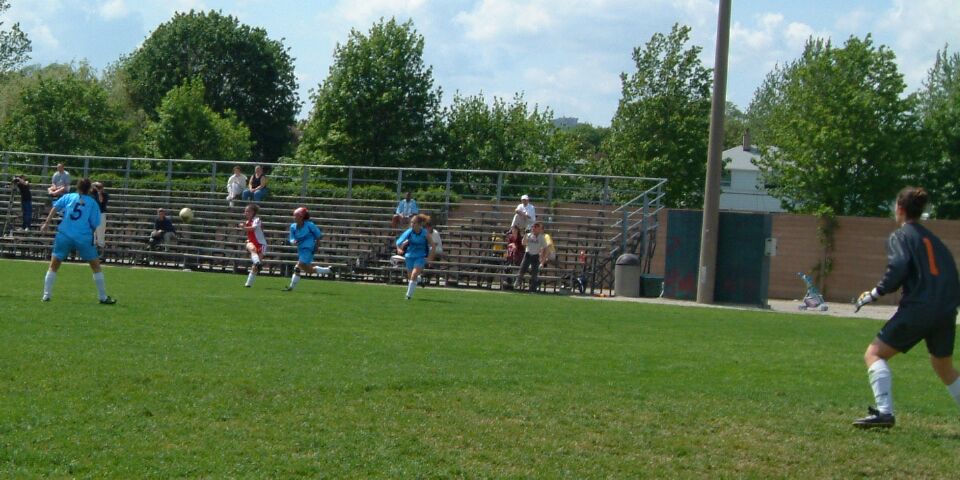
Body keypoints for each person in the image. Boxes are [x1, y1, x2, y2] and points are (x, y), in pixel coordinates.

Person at [852, 187, 960, 429]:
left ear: (899, 208)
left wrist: (875, 293)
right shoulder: (935, 241)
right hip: (945, 310)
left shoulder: (901, 236)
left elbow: (899, 266)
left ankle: (884, 412)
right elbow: (953, 276)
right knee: (943, 366)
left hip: (919, 308)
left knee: (874, 354)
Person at [38, 178, 115, 304]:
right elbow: (95, 223)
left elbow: (55, 207)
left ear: (78, 187)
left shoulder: (68, 197)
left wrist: (47, 223)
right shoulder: (92, 203)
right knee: (95, 265)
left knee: (54, 264)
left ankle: (46, 295)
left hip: (64, 234)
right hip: (83, 236)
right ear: (89, 189)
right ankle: (103, 297)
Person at [283, 207, 332, 291]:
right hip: (300, 249)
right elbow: (291, 238)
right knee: (308, 270)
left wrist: (317, 246)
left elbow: (318, 235)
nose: (294, 217)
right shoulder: (293, 226)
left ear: (301, 217)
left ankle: (291, 287)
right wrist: (293, 241)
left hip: (308, 248)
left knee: (298, 266)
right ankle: (327, 270)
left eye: (296, 216)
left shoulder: (310, 225)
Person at [395, 214, 435, 300]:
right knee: (411, 277)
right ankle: (419, 279)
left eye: (414, 223)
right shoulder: (409, 232)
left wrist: (430, 258)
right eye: (411, 222)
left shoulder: (424, 233)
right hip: (409, 256)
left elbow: (433, 245)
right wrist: (399, 249)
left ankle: (408, 296)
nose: (412, 224)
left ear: (419, 224)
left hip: (420, 256)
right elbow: (399, 242)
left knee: (413, 275)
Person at [239, 203, 267, 288]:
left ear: (253, 212)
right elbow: (251, 234)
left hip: (261, 244)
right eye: (245, 211)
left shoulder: (257, 220)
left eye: (248, 211)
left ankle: (248, 284)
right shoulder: (247, 222)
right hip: (252, 242)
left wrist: (243, 228)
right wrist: (248, 239)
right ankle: (258, 263)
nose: (246, 213)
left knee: (254, 268)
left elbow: (253, 228)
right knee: (252, 248)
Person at [517, 222, 546, 293]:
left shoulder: (541, 237)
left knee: (534, 273)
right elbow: (523, 243)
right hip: (528, 254)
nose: (534, 229)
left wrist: (542, 259)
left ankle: (533, 289)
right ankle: (517, 282)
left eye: (536, 227)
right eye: (533, 227)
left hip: (536, 256)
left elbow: (544, 248)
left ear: (539, 229)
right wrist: (525, 235)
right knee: (522, 269)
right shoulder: (528, 235)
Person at [92, 182, 109, 249]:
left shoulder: (105, 194)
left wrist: (99, 192)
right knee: (92, 232)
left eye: (98, 187)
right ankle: (92, 245)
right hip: (92, 214)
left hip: (101, 214)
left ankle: (100, 246)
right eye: (96, 187)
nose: (97, 188)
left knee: (100, 232)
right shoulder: (92, 194)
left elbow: (101, 201)